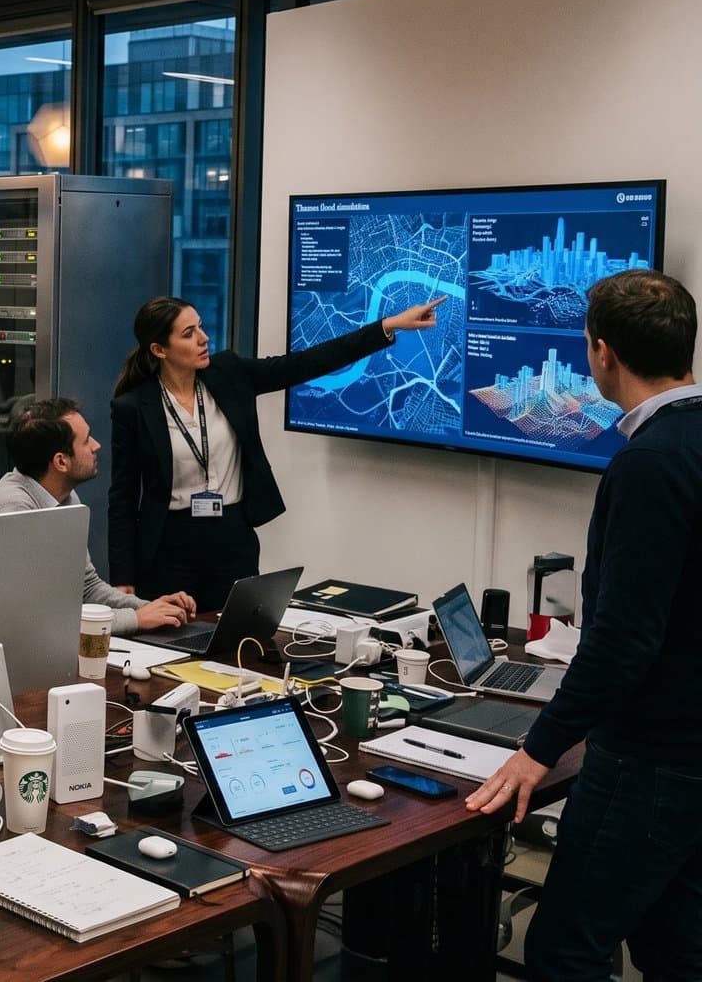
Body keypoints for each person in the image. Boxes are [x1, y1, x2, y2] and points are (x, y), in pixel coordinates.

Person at [464, 270, 702, 979]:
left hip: (649, 761)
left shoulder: (650, 462)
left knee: (565, 948)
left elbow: (625, 639)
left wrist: (538, 750)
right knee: (676, 948)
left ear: (601, 353)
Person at [108, 294, 445, 609]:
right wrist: (123, 579)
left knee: (236, 642)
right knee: (168, 644)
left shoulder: (228, 373)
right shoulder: (134, 407)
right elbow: (122, 497)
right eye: (189, 333)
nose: (203, 338)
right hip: (169, 546)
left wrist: (388, 326)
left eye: (201, 326)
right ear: (159, 349)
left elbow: (306, 363)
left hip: (232, 538)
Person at [0, 397, 194, 635]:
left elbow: (87, 587)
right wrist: (135, 619)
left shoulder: (64, 498)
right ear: (61, 461)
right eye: (87, 440)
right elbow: (36, 618)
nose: (96, 445)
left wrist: (152, 608)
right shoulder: (13, 511)